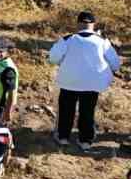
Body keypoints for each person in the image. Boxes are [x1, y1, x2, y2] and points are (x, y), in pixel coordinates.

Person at [49, 11, 121, 148]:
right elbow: (115, 64)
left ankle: (63, 137)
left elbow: (52, 58)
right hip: (92, 83)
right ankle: (85, 141)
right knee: (88, 111)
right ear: (93, 25)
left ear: (78, 24)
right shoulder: (102, 42)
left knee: (66, 110)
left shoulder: (68, 39)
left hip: (69, 81)